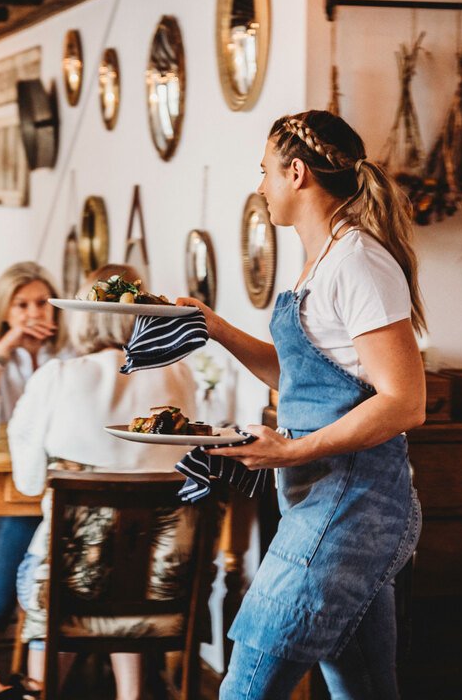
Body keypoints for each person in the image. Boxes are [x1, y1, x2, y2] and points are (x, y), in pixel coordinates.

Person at [178, 111, 425, 699]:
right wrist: (214, 328)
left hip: (353, 505)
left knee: (246, 687)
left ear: (296, 173)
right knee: (363, 687)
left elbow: (406, 401)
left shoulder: (358, 261)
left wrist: (293, 450)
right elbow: (301, 375)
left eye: (264, 172)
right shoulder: (324, 260)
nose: (260, 187)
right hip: (324, 500)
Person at [9, 265, 199, 700]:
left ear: (84, 314)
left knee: (58, 566)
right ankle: (131, 695)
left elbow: (27, 483)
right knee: (126, 561)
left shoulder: (56, 379)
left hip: (68, 587)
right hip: (161, 589)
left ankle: (42, 690)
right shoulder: (180, 377)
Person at [0, 262, 68, 665]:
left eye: (41, 303)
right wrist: (4, 350)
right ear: (5, 311)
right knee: (22, 514)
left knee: (35, 513)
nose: (33, 313)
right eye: (21, 305)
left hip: (54, 481)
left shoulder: (70, 352)